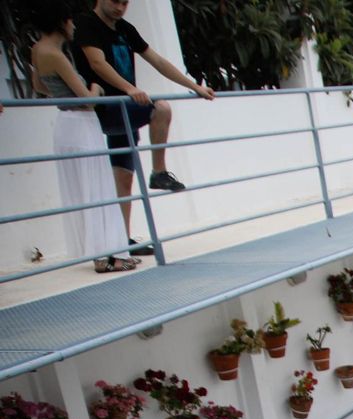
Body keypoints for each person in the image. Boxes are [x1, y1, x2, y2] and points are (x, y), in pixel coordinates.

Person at [77, 0, 217, 249]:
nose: (120, 7)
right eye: (115, 1)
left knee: (124, 178)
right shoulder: (87, 24)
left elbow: (158, 61)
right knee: (160, 108)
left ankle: (123, 240)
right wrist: (130, 89)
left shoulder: (125, 29)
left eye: (125, 2)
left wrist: (194, 86)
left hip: (124, 108)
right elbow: (96, 63)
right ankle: (158, 173)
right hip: (106, 107)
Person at [30, 11, 134, 273]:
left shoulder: (37, 50)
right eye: (70, 20)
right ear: (61, 22)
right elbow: (87, 99)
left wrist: (64, 89)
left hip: (64, 125)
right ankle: (108, 257)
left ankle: (101, 254)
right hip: (82, 123)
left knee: (82, 189)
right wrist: (97, 88)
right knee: (98, 188)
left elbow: (40, 86)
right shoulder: (56, 54)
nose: (74, 25)